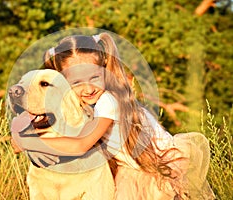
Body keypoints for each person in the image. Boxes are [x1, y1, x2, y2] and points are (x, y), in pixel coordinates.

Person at [11, 33, 214, 199]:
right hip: (131, 169)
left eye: (94, 77)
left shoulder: (109, 101)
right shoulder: (80, 104)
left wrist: (32, 143)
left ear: (105, 68)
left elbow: (81, 144)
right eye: (77, 82)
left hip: (159, 170)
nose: (88, 88)